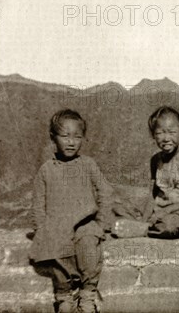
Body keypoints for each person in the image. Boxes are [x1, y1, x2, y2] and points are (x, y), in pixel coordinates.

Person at [29, 109, 113, 313]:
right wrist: (41, 228)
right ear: (53, 138)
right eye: (64, 136)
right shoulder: (47, 169)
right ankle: (64, 294)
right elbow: (38, 203)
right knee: (54, 246)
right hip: (57, 224)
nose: (71, 142)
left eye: (77, 136)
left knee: (88, 245)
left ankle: (87, 293)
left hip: (85, 223)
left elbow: (105, 191)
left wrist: (102, 222)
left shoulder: (88, 164)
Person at [112, 105, 179, 239]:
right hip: (159, 209)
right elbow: (153, 194)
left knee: (170, 226)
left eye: (171, 132)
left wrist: (166, 211)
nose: (166, 138)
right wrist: (146, 216)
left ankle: (144, 230)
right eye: (160, 133)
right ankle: (145, 225)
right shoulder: (155, 160)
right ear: (153, 135)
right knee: (117, 207)